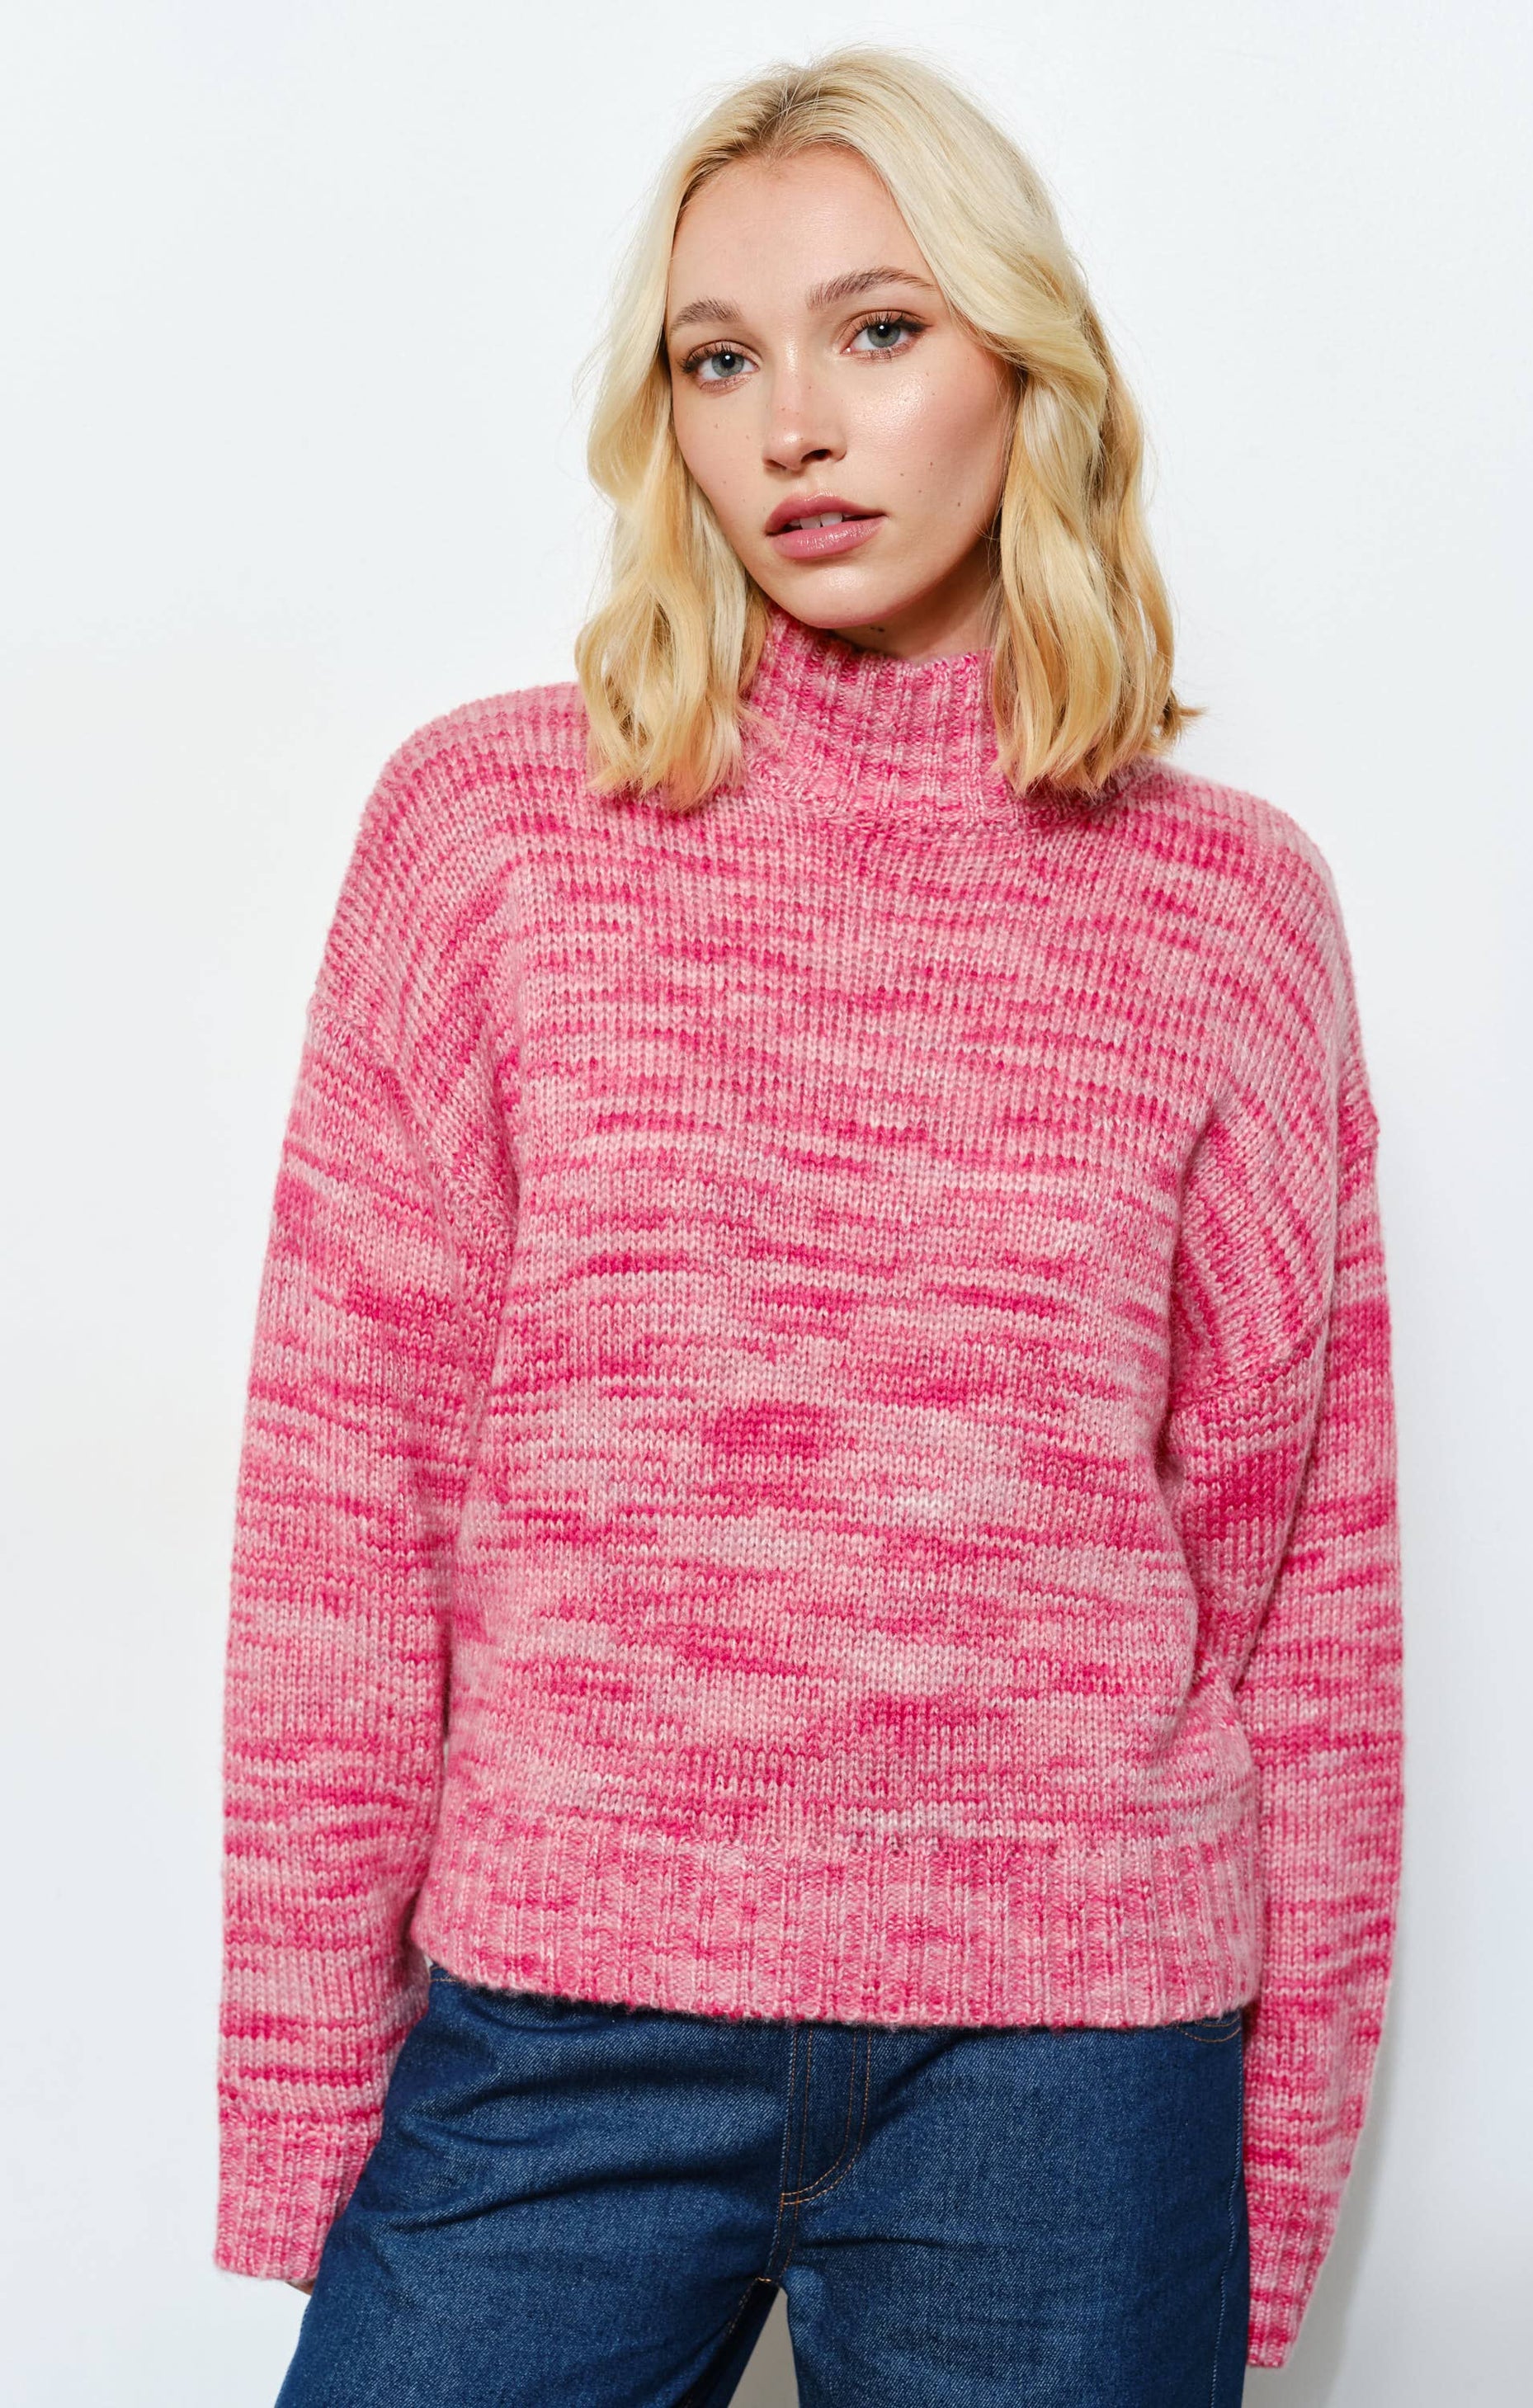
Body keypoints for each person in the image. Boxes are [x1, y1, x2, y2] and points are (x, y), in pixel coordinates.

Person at [214, 43, 1405, 2407]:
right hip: (558, 2018)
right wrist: (311, 2107)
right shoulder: (490, 838)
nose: (794, 427)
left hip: (1069, 2057)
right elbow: (348, 1497)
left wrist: (1261, 2183)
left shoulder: (1227, 908)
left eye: (876, 330)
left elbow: (1299, 1583)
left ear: (1024, 368)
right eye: (717, 357)